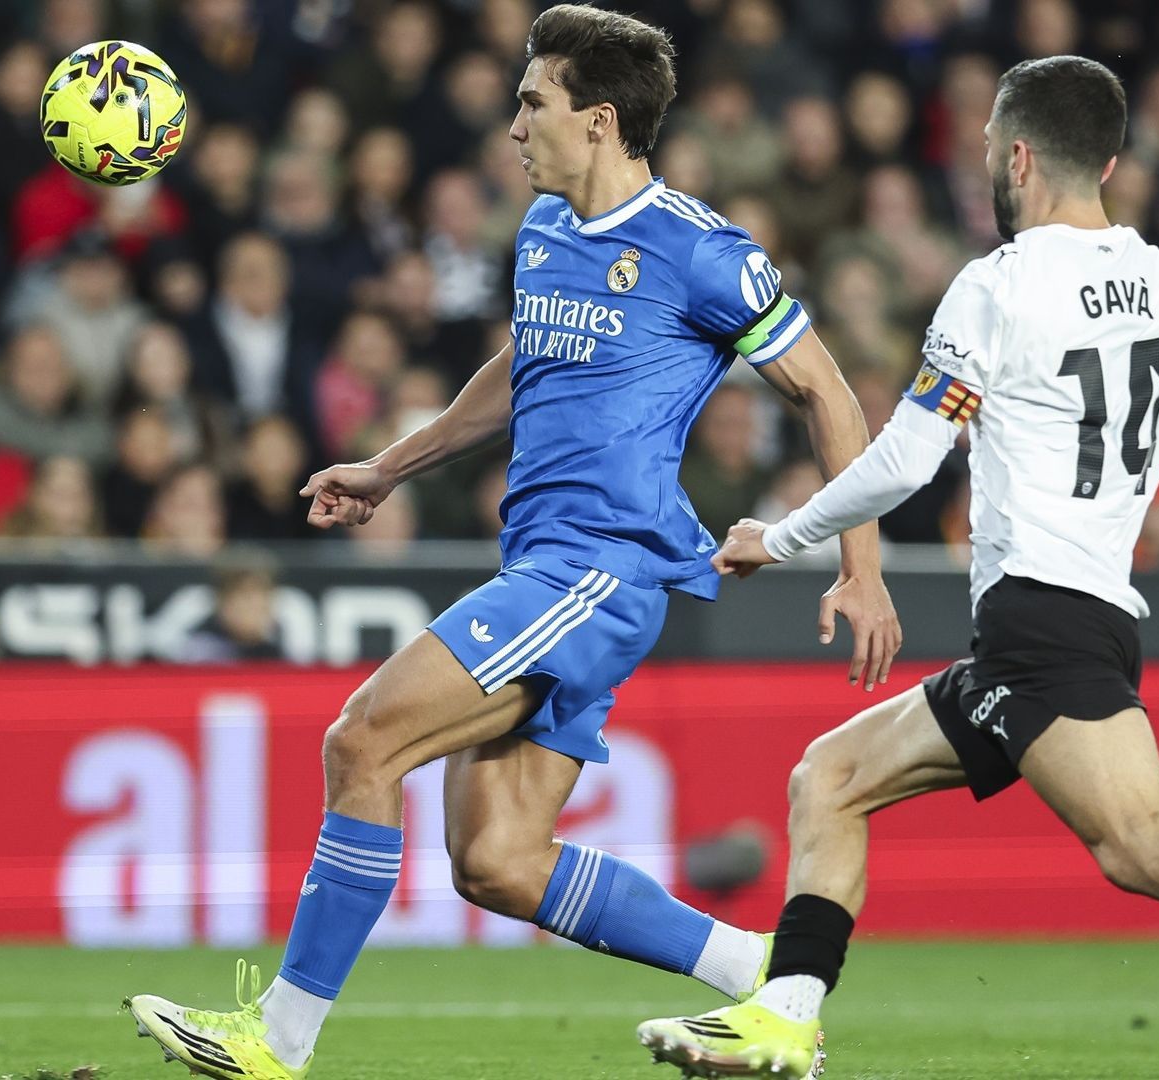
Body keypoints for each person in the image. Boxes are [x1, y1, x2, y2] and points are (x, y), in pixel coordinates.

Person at [125, 8, 897, 1079]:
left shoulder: (699, 250)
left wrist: (862, 570)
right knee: (495, 861)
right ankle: (765, 981)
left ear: (601, 120)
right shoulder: (540, 232)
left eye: (533, 101)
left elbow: (830, 394)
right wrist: (391, 465)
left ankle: (276, 1041)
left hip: (600, 568)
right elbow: (522, 370)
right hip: (542, 566)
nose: (511, 125)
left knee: (362, 742)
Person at [639, 56, 1159, 1080]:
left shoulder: (999, 288)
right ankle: (785, 1018)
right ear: (1106, 159)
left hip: (1042, 619)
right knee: (828, 778)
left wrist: (781, 537)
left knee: (1140, 843)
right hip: (1064, 618)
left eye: (986, 149)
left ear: (1016, 155)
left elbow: (909, 456)